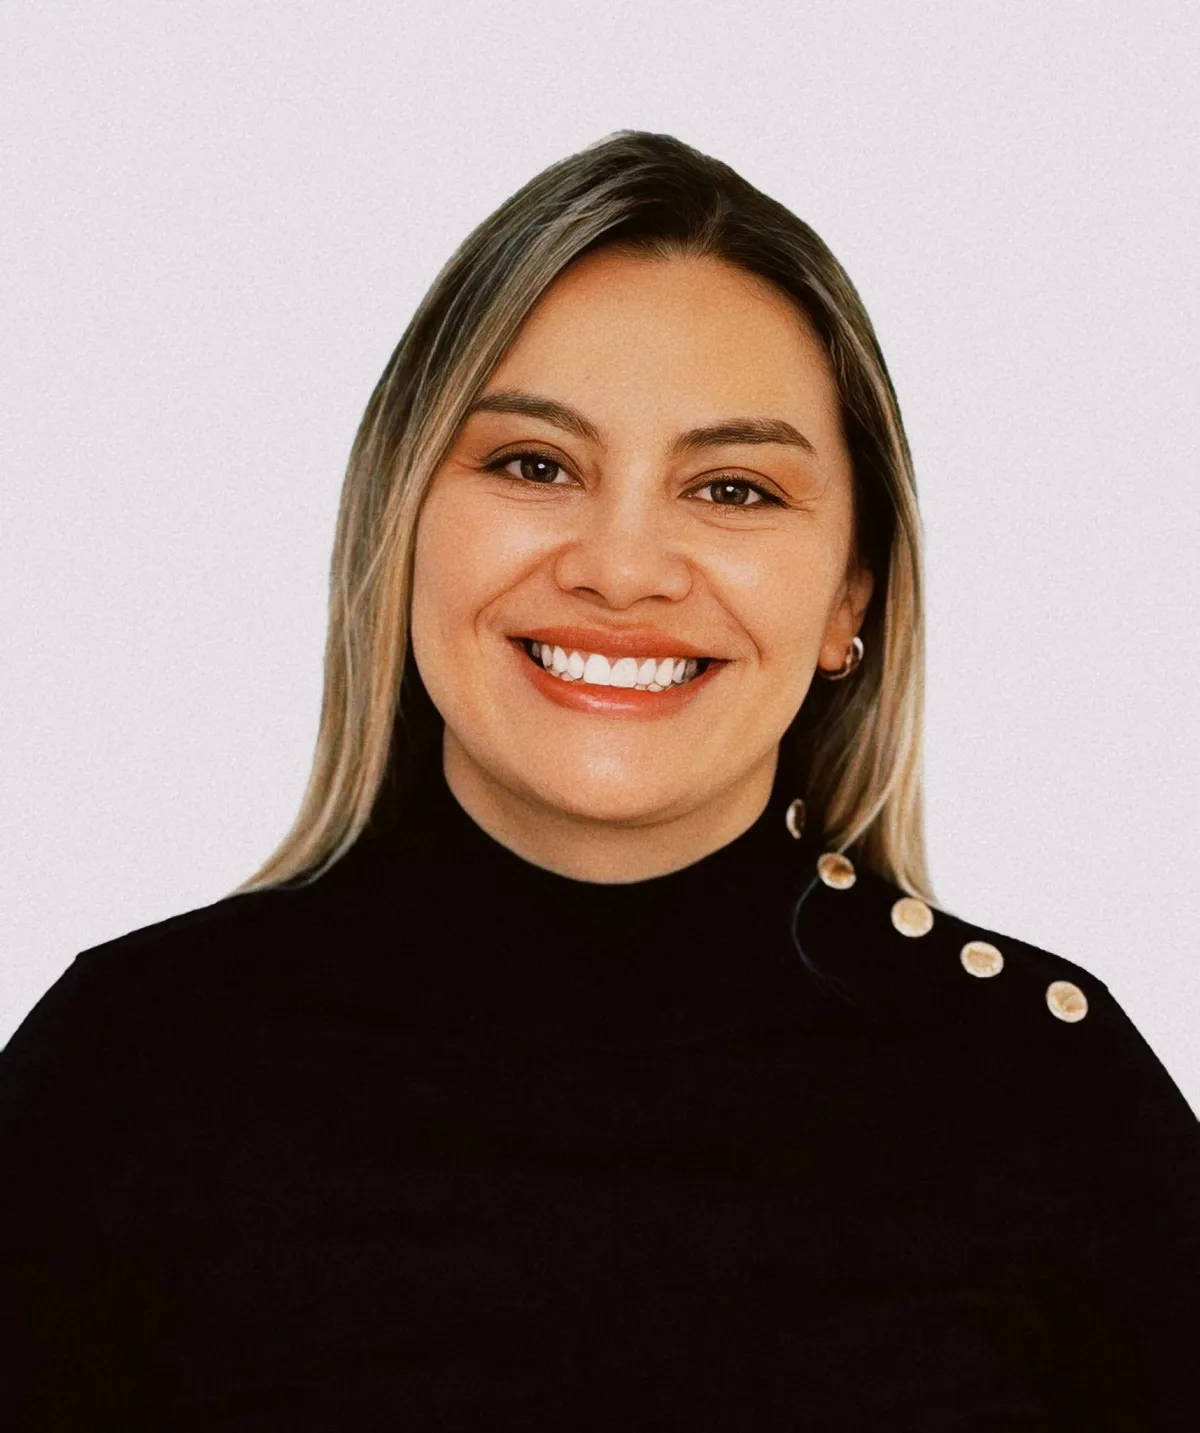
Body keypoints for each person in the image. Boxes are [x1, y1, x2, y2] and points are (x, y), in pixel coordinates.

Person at [3, 129, 1198, 1432]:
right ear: (404, 525)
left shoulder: (1044, 1093)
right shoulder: (131, 1071)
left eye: (733, 488)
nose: (622, 569)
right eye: (534, 466)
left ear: (851, 594)